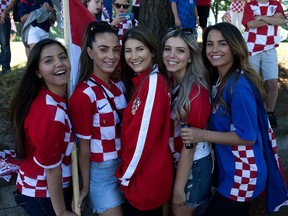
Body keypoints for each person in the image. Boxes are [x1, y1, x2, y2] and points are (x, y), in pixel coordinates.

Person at [181, 22, 268, 216]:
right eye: (210, 44)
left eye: (222, 43)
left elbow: (247, 137)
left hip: (243, 174)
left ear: (235, 47)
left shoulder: (239, 86)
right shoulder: (219, 80)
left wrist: (202, 135)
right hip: (230, 170)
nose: (214, 50)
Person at [10, 38, 76, 216]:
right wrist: (61, 211)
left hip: (45, 188)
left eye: (62, 57)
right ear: (38, 72)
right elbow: (52, 169)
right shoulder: (49, 114)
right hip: (44, 193)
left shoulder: (52, 96)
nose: (59, 64)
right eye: (49, 61)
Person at [69, 21, 126, 216]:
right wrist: (85, 186)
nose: (111, 56)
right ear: (90, 52)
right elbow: (83, 148)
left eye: (115, 50)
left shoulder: (119, 85)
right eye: (103, 50)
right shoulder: (84, 95)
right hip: (102, 172)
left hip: (126, 167)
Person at [116, 25, 174, 216]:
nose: (134, 56)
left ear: (152, 51)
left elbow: (142, 138)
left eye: (140, 49)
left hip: (145, 179)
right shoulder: (143, 80)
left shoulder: (153, 83)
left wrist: (125, 176)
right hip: (144, 176)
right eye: (128, 51)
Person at [162, 27, 213, 216]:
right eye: (167, 49)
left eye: (180, 50)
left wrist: (178, 189)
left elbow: (189, 147)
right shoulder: (169, 81)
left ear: (190, 56)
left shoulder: (196, 93)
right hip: (177, 161)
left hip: (193, 167)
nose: (171, 55)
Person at [242, 0, 286, 128]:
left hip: (270, 47)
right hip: (252, 48)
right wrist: (272, 19)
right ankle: (254, 111)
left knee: (272, 82)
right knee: (253, 82)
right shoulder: (250, 5)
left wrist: (261, 18)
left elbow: (282, 21)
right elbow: (250, 24)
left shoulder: (276, 4)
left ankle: (270, 112)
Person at [0, 0, 17, 74]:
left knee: (4, 44)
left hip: (4, 17)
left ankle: (6, 68)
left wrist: (4, 12)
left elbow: (13, 2)